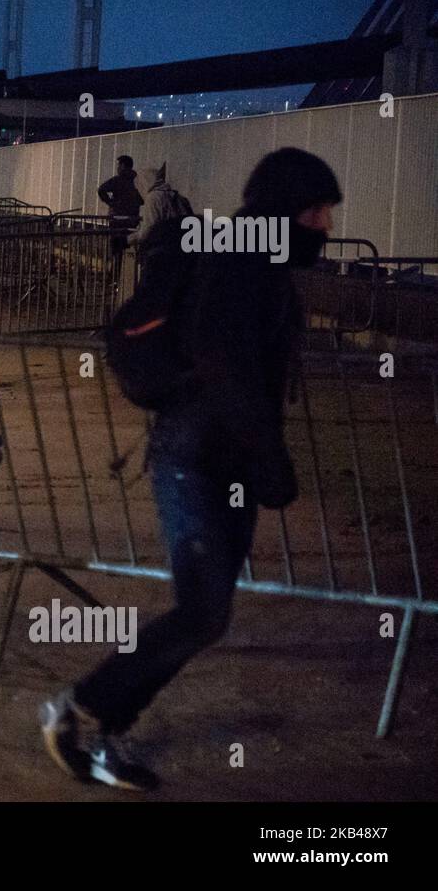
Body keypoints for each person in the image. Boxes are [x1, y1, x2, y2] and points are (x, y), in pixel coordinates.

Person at [39, 147, 343, 791]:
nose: (326, 226)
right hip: (196, 459)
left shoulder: (260, 262)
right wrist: (270, 461)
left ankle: (103, 734)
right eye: (316, 212)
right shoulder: (242, 267)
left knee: (206, 613)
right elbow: (228, 369)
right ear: (286, 209)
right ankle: (77, 709)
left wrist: (259, 460)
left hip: (222, 460)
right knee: (202, 612)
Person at [132, 163, 193, 246]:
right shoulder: (180, 198)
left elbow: (148, 231)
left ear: (143, 183)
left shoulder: (153, 198)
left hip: (163, 248)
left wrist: (127, 240)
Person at [98, 155, 144, 232]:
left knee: (116, 240)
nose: (117, 168)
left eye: (118, 165)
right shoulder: (138, 181)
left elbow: (101, 190)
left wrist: (111, 202)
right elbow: (142, 198)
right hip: (132, 218)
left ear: (123, 166)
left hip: (117, 217)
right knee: (129, 240)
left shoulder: (117, 181)